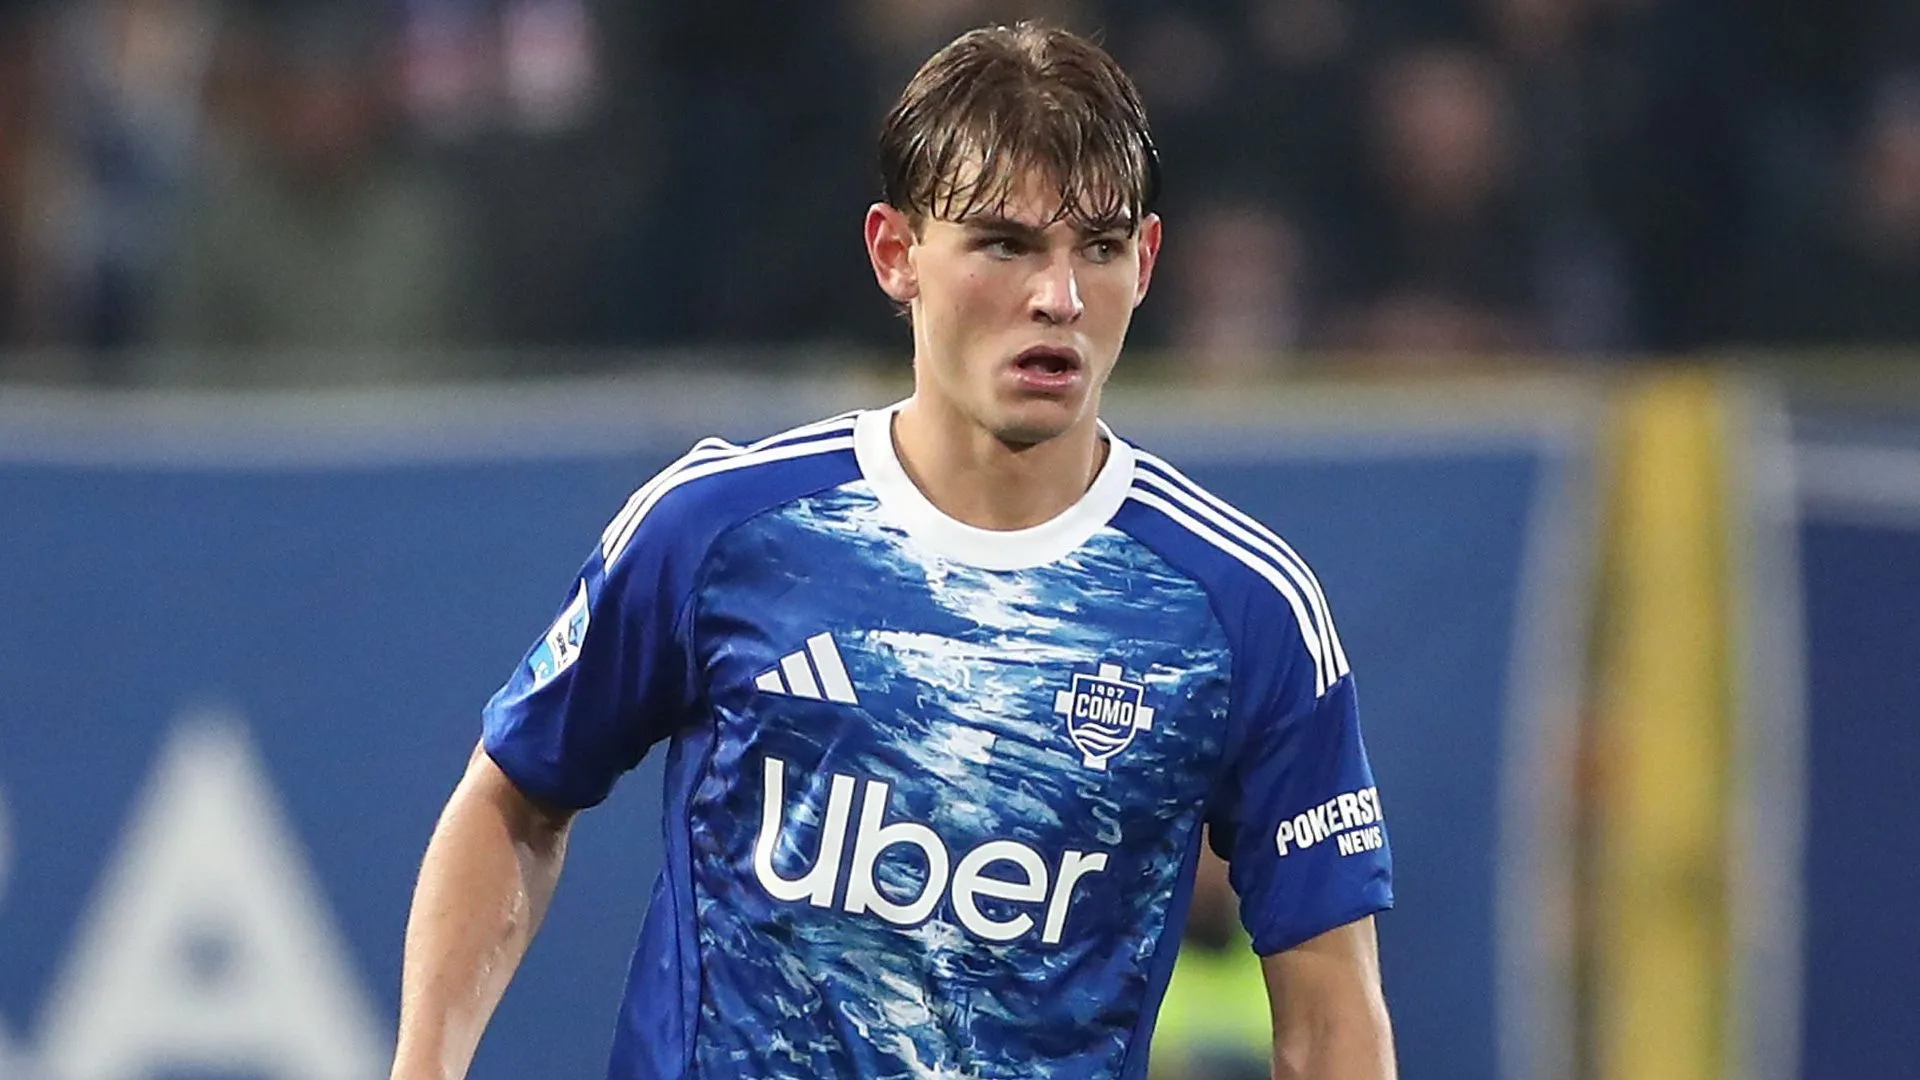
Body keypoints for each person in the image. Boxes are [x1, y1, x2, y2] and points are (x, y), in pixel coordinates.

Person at [390, 21, 1396, 1080]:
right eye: (1005, 244)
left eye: (1096, 248)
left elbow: (1331, 1009)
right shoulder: (719, 530)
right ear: (896, 254)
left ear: (1144, 263)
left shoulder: (1244, 610)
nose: (1057, 297)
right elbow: (515, 796)